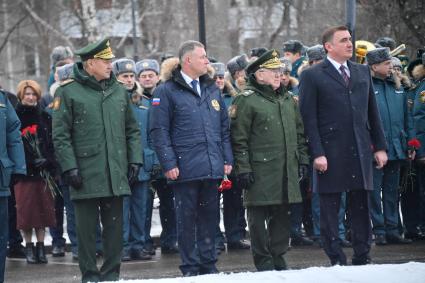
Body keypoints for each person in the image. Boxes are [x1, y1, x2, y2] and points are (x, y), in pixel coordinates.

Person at [52, 38, 142, 282]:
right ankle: (90, 276)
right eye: (105, 61)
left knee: (114, 231)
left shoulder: (118, 92)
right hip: (85, 173)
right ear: (90, 63)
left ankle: (111, 275)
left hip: (115, 172)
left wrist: (135, 160)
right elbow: (60, 136)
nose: (110, 65)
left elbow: (132, 130)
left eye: (111, 61)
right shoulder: (68, 92)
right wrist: (69, 166)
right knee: (87, 233)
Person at [299, 25, 388, 266]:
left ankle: (362, 255)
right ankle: (336, 258)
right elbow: (309, 118)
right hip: (330, 152)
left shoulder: (361, 72)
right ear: (329, 46)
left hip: (359, 150)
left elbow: (373, 113)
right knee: (330, 209)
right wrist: (317, 152)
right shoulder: (312, 75)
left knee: (361, 207)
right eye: (344, 40)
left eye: (350, 39)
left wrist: (379, 147)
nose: (350, 44)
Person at [149, 40, 233, 276]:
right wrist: (169, 162)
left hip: (211, 165)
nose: (207, 61)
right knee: (186, 220)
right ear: (188, 61)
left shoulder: (211, 88)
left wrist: (226, 158)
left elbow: (223, 128)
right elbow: (159, 130)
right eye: (203, 57)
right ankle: (190, 267)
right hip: (184, 168)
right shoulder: (166, 91)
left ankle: (208, 265)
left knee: (210, 218)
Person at [230, 49, 309, 270]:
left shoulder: (288, 100)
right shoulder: (247, 100)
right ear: (258, 74)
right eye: (273, 71)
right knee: (257, 220)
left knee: (283, 217)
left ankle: (278, 257)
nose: (279, 74)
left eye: (280, 70)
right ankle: (264, 261)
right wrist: (243, 168)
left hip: (286, 169)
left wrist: (302, 160)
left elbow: (300, 134)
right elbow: (239, 139)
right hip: (259, 171)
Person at [366, 47, 414, 245]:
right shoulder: (366, 87)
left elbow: (406, 117)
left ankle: (393, 229)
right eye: (386, 64)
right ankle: (379, 230)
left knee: (393, 191)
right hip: (375, 149)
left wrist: (411, 143)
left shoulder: (397, 87)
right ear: (374, 66)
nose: (391, 67)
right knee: (375, 192)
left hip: (397, 147)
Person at [112, 58, 153, 261]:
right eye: (124, 76)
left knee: (141, 208)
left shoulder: (144, 102)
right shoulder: (111, 101)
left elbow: (152, 134)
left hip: (142, 163)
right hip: (120, 164)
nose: (128, 80)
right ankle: (124, 246)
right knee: (122, 208)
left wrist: (152, 160)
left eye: (130, 76)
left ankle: (139, 244)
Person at [14, 80, 57, 264]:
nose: (30, 98)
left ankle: (41, 247)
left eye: (33, 95)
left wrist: (48, 160)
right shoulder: (15, 117)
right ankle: (29, 246)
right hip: (24, 173)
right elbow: (14, 144)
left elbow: (53, 142)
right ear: (21, 96)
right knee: (27, 213)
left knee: (43, 211)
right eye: (27, 94)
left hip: (43, 171)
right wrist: (28, 161)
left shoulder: (45, 117)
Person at [210, 62, 249, 253]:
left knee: (234, 201)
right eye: (214, 77)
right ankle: (215, 238)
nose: (218, 81)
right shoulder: (206, 96)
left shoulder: (234, 98)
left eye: (220, 77)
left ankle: (235, 236)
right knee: (211, 202)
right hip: (212, 156)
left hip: (231, 156)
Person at [0, 88, 26, 283]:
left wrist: (17, 167)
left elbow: (12, 131)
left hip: (1, 178)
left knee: (1, 239)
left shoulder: (1, 99)